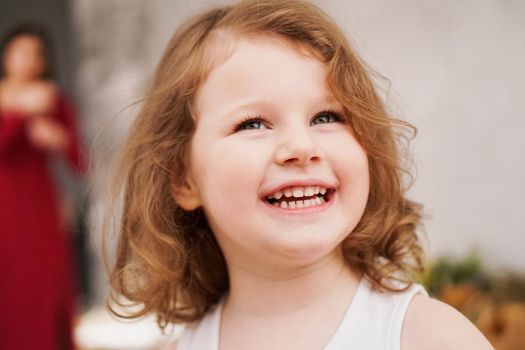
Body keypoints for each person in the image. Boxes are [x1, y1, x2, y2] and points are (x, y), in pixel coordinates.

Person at [108, 1, 494, 349]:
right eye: (253, 124)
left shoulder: (429, 337)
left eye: (326, 117)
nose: (300, 146)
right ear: (183, 179)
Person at [0, 23, 85, 349]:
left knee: (46, 284)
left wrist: (58, 139)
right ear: (7, 55)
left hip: (40, 209)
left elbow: (81, 161)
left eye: (36, 54)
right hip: (4, 209)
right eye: (20, 51)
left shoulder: (53, 100)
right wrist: (20, 113)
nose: (27, 61)